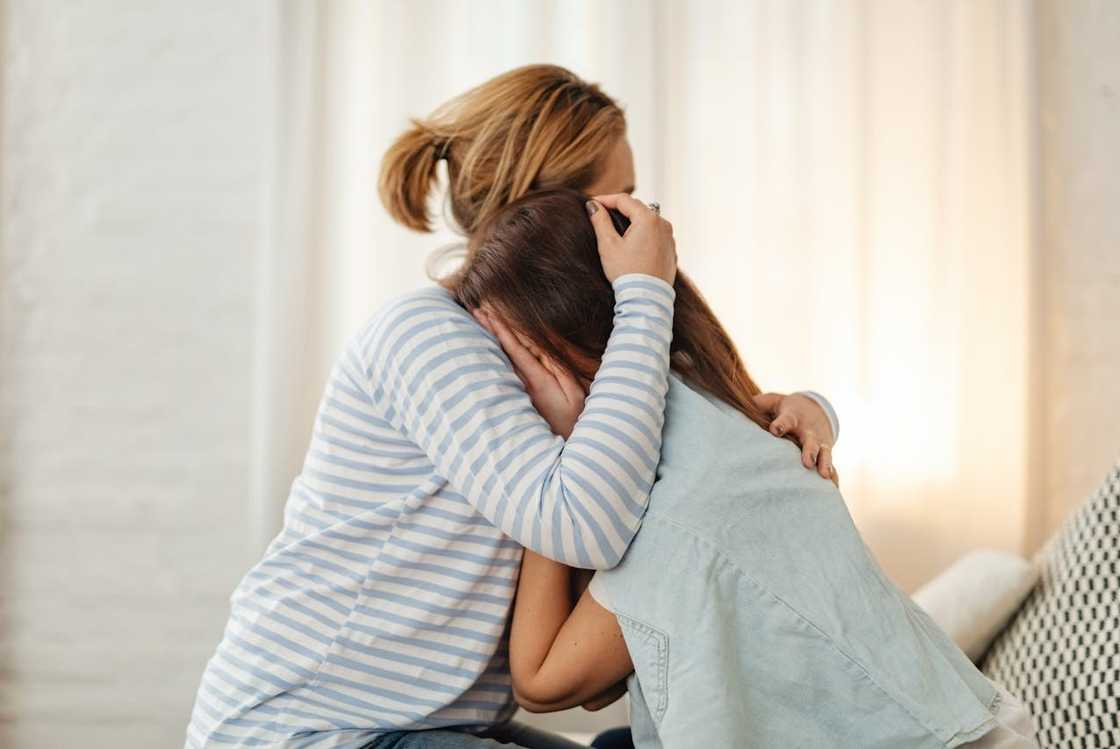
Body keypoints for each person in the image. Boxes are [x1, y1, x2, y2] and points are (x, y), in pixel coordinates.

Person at [185, 65, 840, 748]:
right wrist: (646, 291)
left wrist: (811, 410)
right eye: (620, 203)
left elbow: (696, 434)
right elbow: (580, 523)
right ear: (542, 216)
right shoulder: (427, 336)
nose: (643, 226)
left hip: (440, 724)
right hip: (312, 730)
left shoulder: (558, 348)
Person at [454, 188, 1041, 748]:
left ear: (556, 347)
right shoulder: (702, 401)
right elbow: (607, 677)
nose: (503, 395)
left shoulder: (685, 508)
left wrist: (556, 469)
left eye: (510, 364)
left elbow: (542, 682)